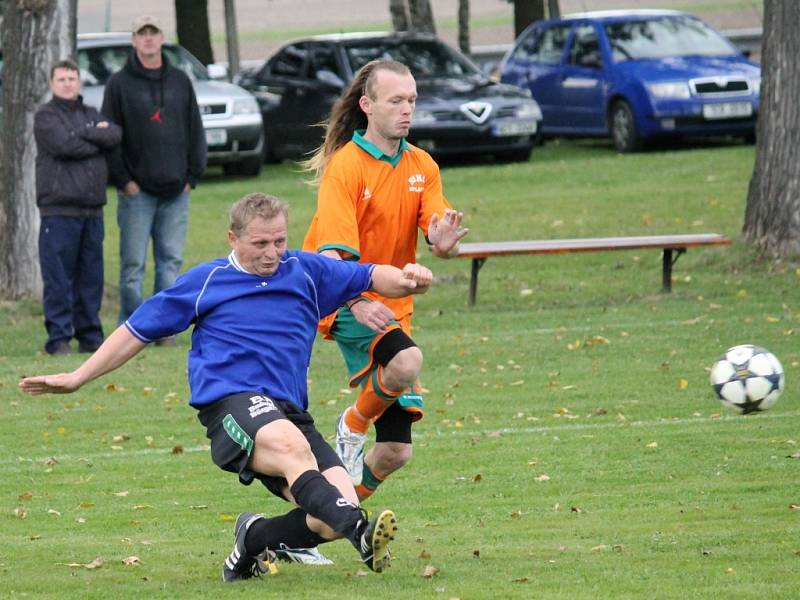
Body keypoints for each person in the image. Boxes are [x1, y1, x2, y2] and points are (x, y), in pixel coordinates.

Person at [19, 192, 435, 581]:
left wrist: (410, 278)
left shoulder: (306, 271)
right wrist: (77, 377)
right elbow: (136, 331)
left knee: (328, 516)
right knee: (298, 456)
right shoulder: (207, 281)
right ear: (233, 238)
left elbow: (372, 274)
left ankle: (251, 541)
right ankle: (361, 535)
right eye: (260, 244)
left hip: (289, 410)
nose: (272, 253)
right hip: (231, 404)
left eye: (279, 241)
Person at [302, 60, 469, 502]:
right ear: (367, 105)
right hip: (341, 298)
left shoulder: (421, 165)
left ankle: (311, 527)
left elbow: (437, 228)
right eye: (396, 100)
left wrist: (444, 241)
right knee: (407, 362)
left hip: (392, 305)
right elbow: (332, 257)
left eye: (412, 100)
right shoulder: (347, 167)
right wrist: (356, 301)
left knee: (394, 451)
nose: (406, 109)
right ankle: (351, 424)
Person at [101, 14, 207, 334]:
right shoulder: (118, 84)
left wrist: (192, 176)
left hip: (177, 190)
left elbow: (195, 130)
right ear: (134, 41)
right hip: (137, 193)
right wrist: (124, 181)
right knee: (133, 265)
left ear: (162, 38)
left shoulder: (179, 80)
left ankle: (164, 329)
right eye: (141, 34)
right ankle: (132, 329)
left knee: (170, 263)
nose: (148, 39)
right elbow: (110, 137)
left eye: (153, 33)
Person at [34, 59, 122, 355]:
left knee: (91, 277)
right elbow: (63, 145)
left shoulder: (90, 112)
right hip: (59, 211)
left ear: (79, 81)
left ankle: (90, 335)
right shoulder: (45, 116)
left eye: (72, 78)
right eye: (62, 79)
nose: (68, 83)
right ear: (52, 83)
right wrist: (93, 138)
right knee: (59, 277)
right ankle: (58, 338)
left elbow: (113, 135)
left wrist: (87, 135)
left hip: (92, 211)